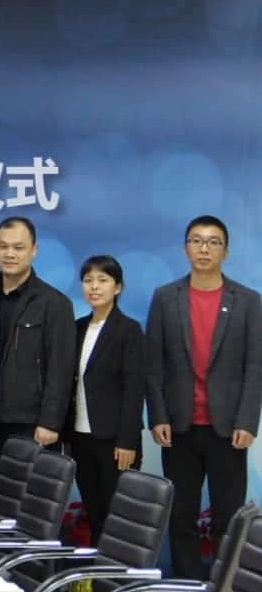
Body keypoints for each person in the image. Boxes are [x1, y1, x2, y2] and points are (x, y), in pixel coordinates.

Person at [146, 215, 262, 579]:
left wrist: (247, 421)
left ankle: (226, 583)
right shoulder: (166, 297)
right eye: (196, 241)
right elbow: (154, 363)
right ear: (185, 249)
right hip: (178, 427)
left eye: (213, 242)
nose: (204, 249)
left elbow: (255, 366)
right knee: (181, 514)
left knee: (228, 516)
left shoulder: (247, 301)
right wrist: (158, 416)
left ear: (225, 251)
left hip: (228, 429)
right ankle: (187, 581)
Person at [0, 216, 75, 490]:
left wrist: (50, 422)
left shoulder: (54, 303)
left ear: (34, 250)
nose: (10, 253)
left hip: (33, 426)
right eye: (3, 246)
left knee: (32, 503)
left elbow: (61, 369)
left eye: (18, 247)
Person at [68, 255, 144, 545]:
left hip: (114, 441)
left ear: (118, 287)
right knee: (95, 512)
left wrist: (127, 441)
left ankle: (121, 571)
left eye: (103, 280)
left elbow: (134, 389)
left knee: (119, 518)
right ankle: (100, 569)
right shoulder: (76, 328)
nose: (94, 287)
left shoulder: (128, 330)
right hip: (80, 438)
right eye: (88, 280)